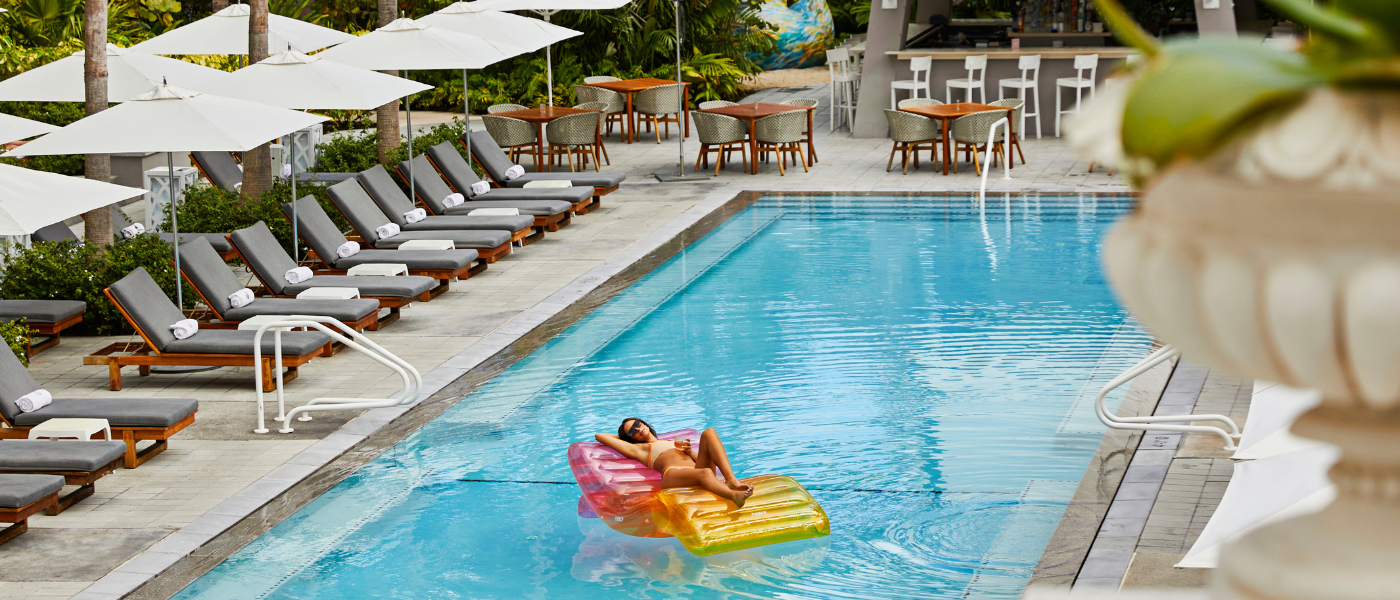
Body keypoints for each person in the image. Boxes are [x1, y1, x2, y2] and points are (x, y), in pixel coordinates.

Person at [595, 418, 755, 508]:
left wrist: (689, 452)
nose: (637, 429)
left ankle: (731, 480)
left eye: (637, 424)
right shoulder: (640, 449)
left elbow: (698, 462)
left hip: (695, 471)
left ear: (643, 422)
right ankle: (734, 495)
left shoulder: (672, 441)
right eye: (632, 431)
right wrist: (624, 438)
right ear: (630, 438)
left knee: (709, 432)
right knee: (704, 473)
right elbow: (600, 436)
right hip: (673, 475)